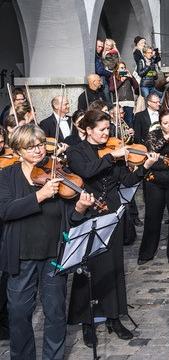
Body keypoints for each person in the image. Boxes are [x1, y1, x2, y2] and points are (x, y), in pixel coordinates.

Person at [0, 124, 95, 359]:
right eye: (31, 147)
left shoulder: (57, 172)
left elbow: (71, 218)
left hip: (54, 253)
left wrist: (81, 209)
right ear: (18, 150)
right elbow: (5, 210)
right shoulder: (6, 175)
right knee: (19, 313)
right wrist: (39, 196)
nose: (39, 150)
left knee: (55, 313)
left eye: (41, 144)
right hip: (21, 255)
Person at [65, 110, 159, 347]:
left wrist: (145, 166)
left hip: (112, 212)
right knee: (88, 268)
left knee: (114, 265)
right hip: (88, 211)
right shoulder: (76, 151)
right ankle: (87, 322)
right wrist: (111, 156)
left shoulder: (113, 151)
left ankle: (114, 317)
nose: (107, 134)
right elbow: (87, 171)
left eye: (108, 129)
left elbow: (126, 181)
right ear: (88, 130)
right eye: (102, 130)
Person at [138, 112, 169, 264]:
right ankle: (146, 253)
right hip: (155, 181)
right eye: (166, 123)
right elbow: (151, 148)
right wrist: (166, 138)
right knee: (152, 217)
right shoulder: (154, 135)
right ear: (160, 124)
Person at [108, 61, 139, 127]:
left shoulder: (128, 77)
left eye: (124, 68)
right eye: (121, 68)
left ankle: (129, 135)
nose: (124, 69)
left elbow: (136, 87)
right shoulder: (113, 77)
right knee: (119, 121)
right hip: (119, 102)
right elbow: (111, 89)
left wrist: (131, 77)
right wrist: (121, 81)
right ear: (117, 69)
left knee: (129, 121)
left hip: (129, 101)